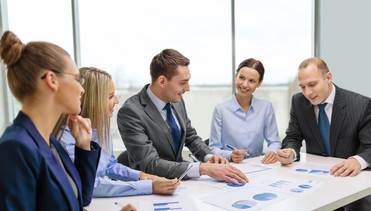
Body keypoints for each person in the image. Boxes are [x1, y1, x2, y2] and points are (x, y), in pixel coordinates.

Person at [0, 31, 136, 211]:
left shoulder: (48, 141)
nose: (82, 90)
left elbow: (81, 198)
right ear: (52, 80)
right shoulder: (15, 148)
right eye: (77, 79)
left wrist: (84, 148)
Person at [117, 49, 248, 184]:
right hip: (151, 184)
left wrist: (209, 157)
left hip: (179, 180)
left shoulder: (176, 100)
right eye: (182, 82)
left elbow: (190, 136)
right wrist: (204, 168)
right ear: (162, 81)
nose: (188, 88)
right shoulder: (131, 112)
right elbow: (151, 164)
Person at [277, 57, 371, 211]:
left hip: (349, 180)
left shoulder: (361, 105)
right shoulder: (298, 102)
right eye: (302, 87)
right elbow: (293, 137)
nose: (308, 92)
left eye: (312, 84)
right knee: (288, 207)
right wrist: (290, 151)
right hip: (313, 178)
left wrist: (357, 160)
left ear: (328, 77)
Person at [53, 67, 179, 197]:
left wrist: (142, 176)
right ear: (93, 100)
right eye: (110, 96)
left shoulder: (102, 124)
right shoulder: (65, 136)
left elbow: (109, 165)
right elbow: (90, 184)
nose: (117, 101)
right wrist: (148, 186)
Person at [209, 58, 281, 163]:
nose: (245, 85)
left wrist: (272, 152)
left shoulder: (265, 107)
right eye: (242, 78)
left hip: (258, 166)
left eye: (252, 81)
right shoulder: (221, 109)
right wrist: (230, 155)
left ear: (259, 83)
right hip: (231, 166)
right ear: (236, 77)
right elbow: (213, 148)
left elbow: (274, 141)